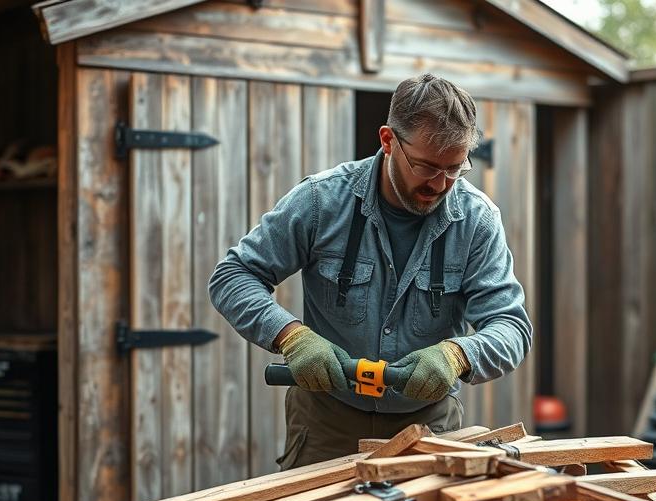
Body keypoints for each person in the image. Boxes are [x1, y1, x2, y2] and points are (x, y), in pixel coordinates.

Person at [209, 73, 532, 469]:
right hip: (326, 424)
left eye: (455, 169)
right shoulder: (320, 202)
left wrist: (457, 355)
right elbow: (233, 275)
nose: (442, 183)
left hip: (429, 429)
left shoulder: (477, 221)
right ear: (388, 140)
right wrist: (291, 337)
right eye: (427, 167)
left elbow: (511, 327)